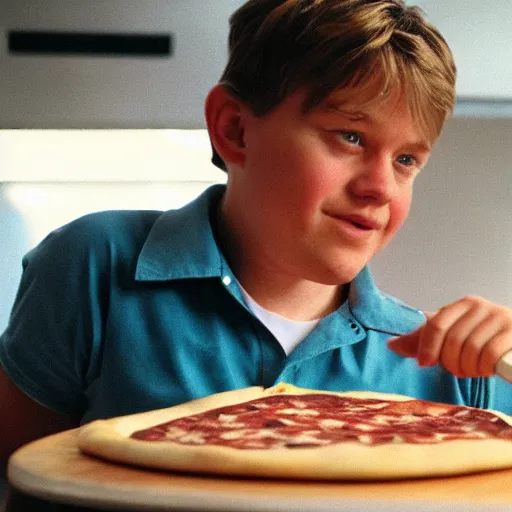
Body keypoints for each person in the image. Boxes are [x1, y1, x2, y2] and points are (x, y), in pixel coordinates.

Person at [1, 0, 512, 478]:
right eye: (350, 136)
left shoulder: (456, 367)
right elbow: (17, 478)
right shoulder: (95, 265)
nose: (379, 187)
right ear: (235, 130)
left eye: (406, 160)